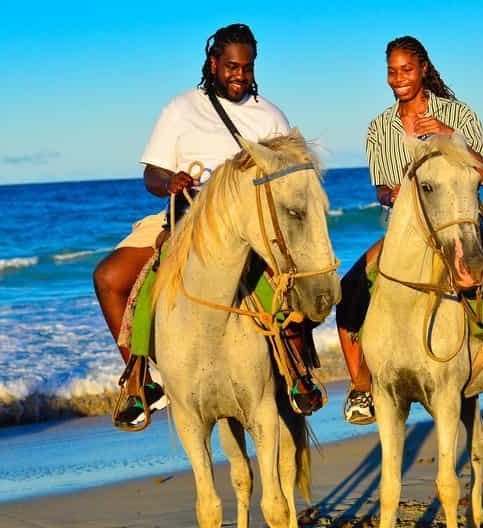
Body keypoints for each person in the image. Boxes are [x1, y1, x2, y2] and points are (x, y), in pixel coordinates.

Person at [93, 23, 323, 430]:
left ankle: (298, 372)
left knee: (295, 279)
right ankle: (139, 381)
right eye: (231, 66)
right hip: (183, 215)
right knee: (109, 277)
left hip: (249, 226)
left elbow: (289, 180)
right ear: (213, 63)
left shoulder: (269, 116)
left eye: (247, 67)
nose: (239, 75)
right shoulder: (181, 108)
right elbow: (152, 174)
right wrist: (171, 182)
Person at [337, 36, 483, 425]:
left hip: (461, 221)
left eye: (406, 70)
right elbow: (380, 185)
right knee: (350, 292)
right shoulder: (379, 127)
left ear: (423, 69)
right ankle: (362, 388)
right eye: (392, 72)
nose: (398, 79)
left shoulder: (458, 115)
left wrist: (449, 135)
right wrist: (387, 193)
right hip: (406, 231)